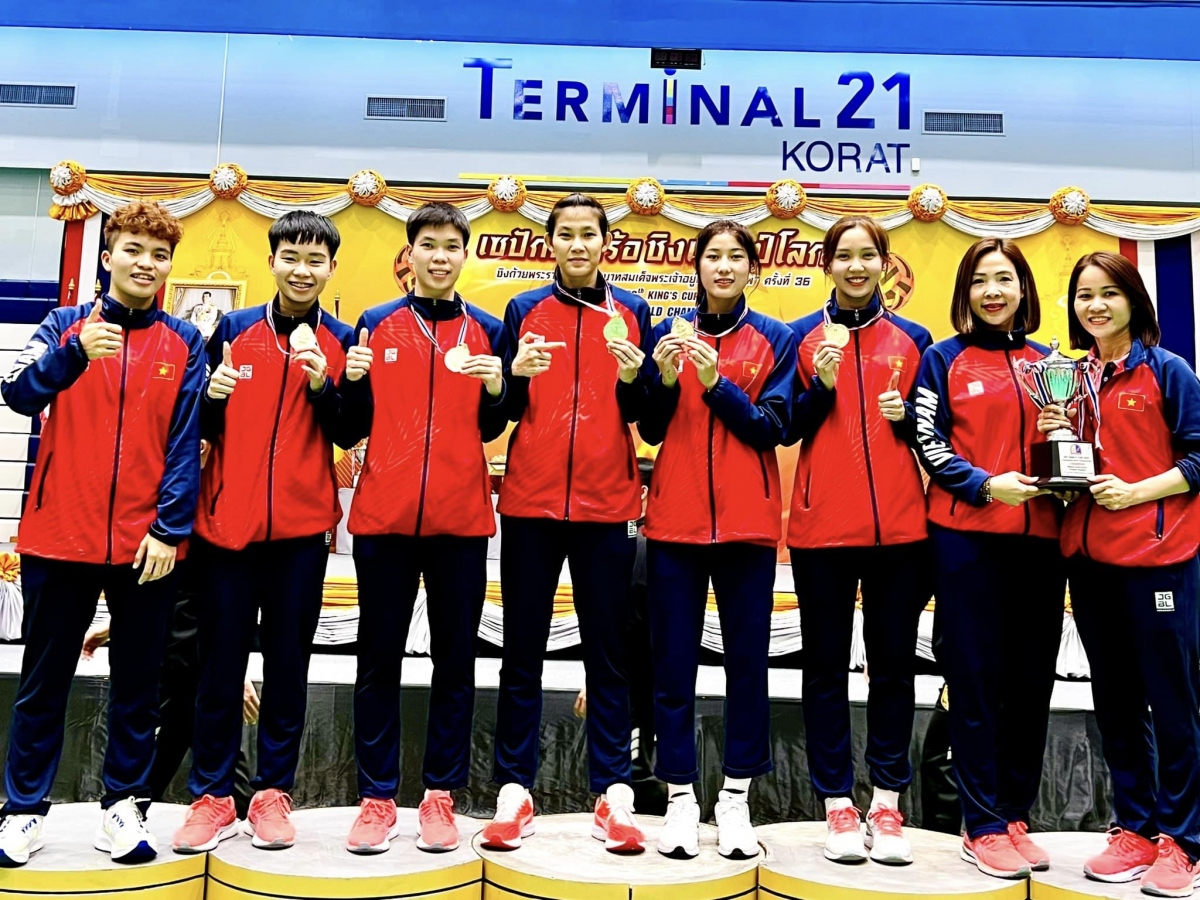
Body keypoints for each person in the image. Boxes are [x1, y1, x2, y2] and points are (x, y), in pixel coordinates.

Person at [0, 201, 204, 867]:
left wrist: (170, 529)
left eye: (159, 254)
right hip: (59, 537)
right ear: (108, 255)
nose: (147, 263)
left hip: (146, 546)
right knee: (43, 681)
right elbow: (19, 393)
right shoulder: (64, 324)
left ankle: (124, 805)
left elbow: (185, 445)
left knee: (140, 683)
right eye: (135, 249)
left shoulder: (184, 341)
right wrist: (72, 354)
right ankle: (24, 810)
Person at [172, 210, 356, 853]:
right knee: (219, 669)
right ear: (272, 261)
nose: (302, 270)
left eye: (315, 261)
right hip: (227, 529)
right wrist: (215, 397)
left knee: (287, 668)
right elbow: (200, 424)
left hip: (302, 533)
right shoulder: (232, 329)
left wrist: (322, 385)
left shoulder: (341, 337)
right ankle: (212, 795)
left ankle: (273, 794)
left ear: (331, 268)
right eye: (291, 258)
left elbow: (350, 431)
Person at [484, 193, 654, 854]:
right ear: (549, 243)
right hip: (529, 501)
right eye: (566, 235)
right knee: (520, 653)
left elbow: (647, 412)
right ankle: (513, 790)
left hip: (607, 503)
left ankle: (612, 794)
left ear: (605, 243)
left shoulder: (631, 312)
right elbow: (502, 411)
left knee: (608, 657)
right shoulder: (523, 310)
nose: (578, 245)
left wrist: (640, 376)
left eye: (589, 234)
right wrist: (512, 377)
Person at [339, 202, 509, 855]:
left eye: (451, 246)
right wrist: (351, 383)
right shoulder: (376, 325)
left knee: (455, 663)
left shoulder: (489, 331)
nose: (440, 257)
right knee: (376, 660)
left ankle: (441, 796)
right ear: (408, 256)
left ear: (465, 256)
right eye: (428, 245)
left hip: (461, 521)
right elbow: (350, 420)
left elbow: (492, 427)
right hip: (383, 517)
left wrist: (497, 390)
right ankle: (377, 798)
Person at [1039, 252, 1200, 897]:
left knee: (1175, 704)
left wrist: (1136, 494)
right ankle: (1134, 826)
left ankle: (1184, 840)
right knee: (1117, 706)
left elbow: (1198, 457)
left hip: (1159, 558)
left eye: (1109, 293)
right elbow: (1067, 471)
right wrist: (1052, 437)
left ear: (1134, 299)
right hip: (1089, 561)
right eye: (1084, 296)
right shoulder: (1068, 378)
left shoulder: (1167, 372)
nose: (1095, 306)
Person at [639, 220, 796, 861]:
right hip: (673, 524)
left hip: (748, 527)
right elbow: (649, 427)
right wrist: (662, 379)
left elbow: (771, 430)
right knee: (672, 666)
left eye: (736, 257)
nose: (723, 267)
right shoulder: (668, 334)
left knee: (746, 669)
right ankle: (679, 797)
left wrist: (716, 384)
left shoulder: (777, 339)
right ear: (696, 268)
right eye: (713, 257)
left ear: (751, 270)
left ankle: (735, 798)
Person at [914, 237, 1065, 880]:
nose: (993, 292)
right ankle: (979, 823)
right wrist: (982, 485)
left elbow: (1083, 446)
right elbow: (927, 439)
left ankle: (1013, 813)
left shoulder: (1053, 362)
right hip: (966, 538)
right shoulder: (940, 359)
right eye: (981, 281)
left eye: (1005, 279)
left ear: (1024, 289)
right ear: (965, 292)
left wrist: (1067, 438)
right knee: (974, 683)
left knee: (1030, 685)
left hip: (1042, 542)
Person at [786, 215, 933, 866]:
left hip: (902, 531)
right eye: (842, 256)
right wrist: (818, 384)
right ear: (827, 265)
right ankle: (836, 803)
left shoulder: (915, 340)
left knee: (893, 669)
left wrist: (905, 426)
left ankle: (887, 802)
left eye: (865, 256)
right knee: (823, 671)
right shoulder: (798, 336)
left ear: (883, 264)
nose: (854, 266)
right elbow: (785, 427)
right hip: (822, 528)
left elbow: (934, 436)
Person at [573, 456, 664, 817]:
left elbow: (623, 618)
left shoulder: (636, 541)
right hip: (650, 672)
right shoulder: (641, 539)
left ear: (640, 491)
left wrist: (594, 676)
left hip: (633, 672)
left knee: (633, 761)